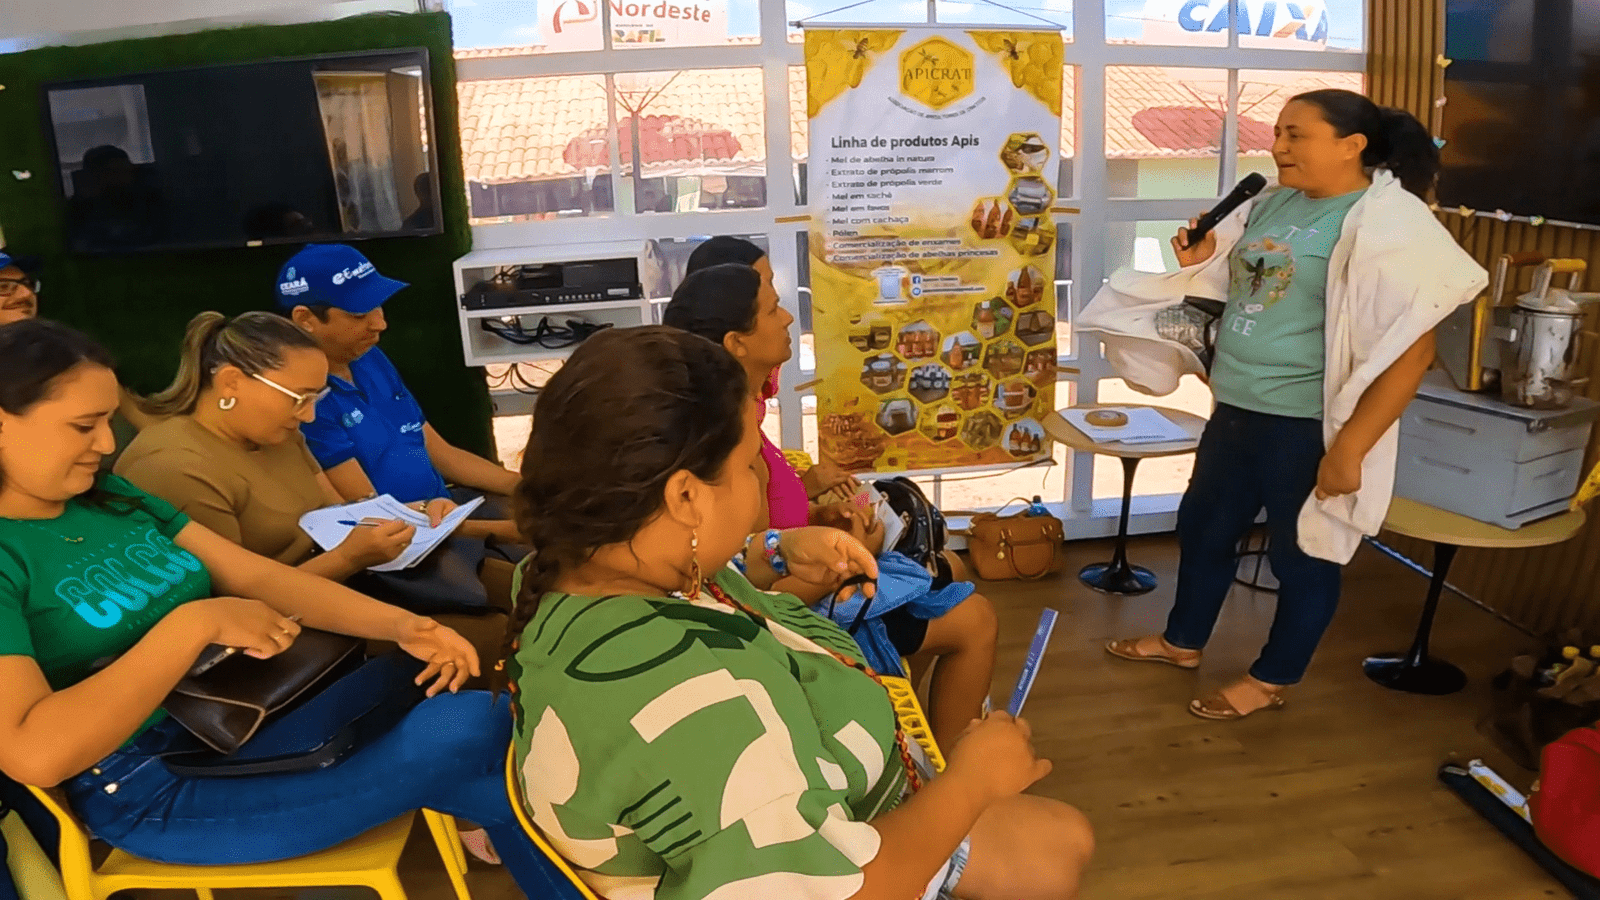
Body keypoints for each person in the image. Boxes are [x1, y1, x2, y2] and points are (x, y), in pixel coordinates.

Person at [503, 325, 1093, 900]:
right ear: (685, 496)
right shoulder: (699, 713)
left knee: (1061, 841)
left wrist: (773, 551)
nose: (760, 482)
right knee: (1064, 847)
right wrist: (971, 782)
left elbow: (700, 585)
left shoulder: (568, 568)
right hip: (853, 852)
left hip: (828, 801)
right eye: (747, 466)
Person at [0, 319, 576, 898]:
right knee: (471, 727)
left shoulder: (112, 498)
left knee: (465, 707)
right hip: (150, 786)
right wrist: (193, 624)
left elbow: (258, 578)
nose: (106, 444)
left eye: (107, 421)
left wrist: (405, 626)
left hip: (242, 720)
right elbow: (34, 754)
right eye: (84, 426)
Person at [1082, 89, 1489, 719]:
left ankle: (1273, 677)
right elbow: (1251, 290)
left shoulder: (1390, 226)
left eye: (1296, 134)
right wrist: (1205, 261)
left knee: (1301, 556)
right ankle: (1182, 641)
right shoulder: (1273, 203)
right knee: (1204, 531)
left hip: (1304, 425)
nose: (1278, 147)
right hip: (1236, 406)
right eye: (1277, 133)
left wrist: (1350, 450)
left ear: (1352, 145)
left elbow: (1413, 354)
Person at [664, 263, 997, 748]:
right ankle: (950, 768)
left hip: (805, 574)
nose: (787, 319)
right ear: (736, 343)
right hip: (798, 619)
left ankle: (913, 722)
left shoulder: (735, 420)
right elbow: (757, 597)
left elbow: (763, 544)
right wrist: (851, 556)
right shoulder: (726, 446)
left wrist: (818, 519)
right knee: (975, 616)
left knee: (948, 569)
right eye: (772, 309)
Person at [275, 243, 520, 543]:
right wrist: (509, 533)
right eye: (359, 313)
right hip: (407, 542)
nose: (380, 323)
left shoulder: (370, 358)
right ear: (305, 319)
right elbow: (370, 516)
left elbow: (444, 455)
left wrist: (524, 486)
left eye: (378, 306)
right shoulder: (307, 402)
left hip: (446, 513)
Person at [683, 235, 857, 501]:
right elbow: (753, 520)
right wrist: (802, 492)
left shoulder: (742, 407)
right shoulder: (718, 433)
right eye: (770, 307)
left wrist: (823, 511)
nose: (788, 317)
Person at [0, 248, 160, 437]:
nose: (26, 294)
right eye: (4, 287)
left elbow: (147, 428)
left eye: (28, 284)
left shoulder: (68, 358)